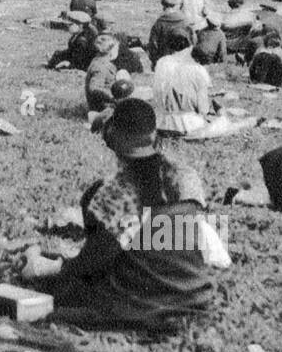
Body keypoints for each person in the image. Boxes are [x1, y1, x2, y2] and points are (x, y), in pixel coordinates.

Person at [22, 98, 216, 331]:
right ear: (154, 136)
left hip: (141, 307)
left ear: (114, 138)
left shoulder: (113, 193)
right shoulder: (188, 177)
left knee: (61, 297)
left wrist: (40, 267)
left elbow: (88, 266)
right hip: (195, 298)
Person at [153, 30, 212, 135]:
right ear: (191, 45)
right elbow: (203, 109)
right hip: (189, 125)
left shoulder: (161, 63)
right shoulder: (197, 69)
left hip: (162, 123)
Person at [146, 0, 193, 65]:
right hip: (184, 62)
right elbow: (192, 42)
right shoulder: (186, 22)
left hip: (164, 62)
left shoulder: (159, 24)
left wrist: (155, 62)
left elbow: (153, 46)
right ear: (179, 4)